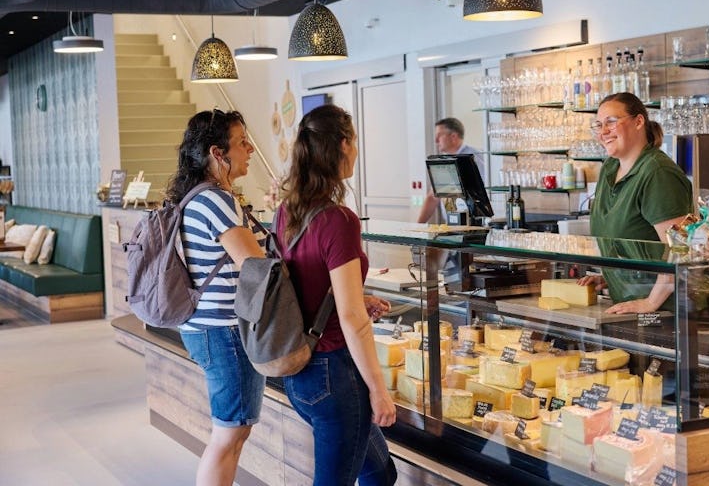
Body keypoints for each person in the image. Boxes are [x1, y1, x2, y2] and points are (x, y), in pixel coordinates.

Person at [273, 104, 397, 486]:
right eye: (355, 142)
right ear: (343, 144)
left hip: (299, 371)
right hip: (335, 373)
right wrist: (379, 389)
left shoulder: (286, 212)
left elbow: (307, 285)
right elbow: (350, 318)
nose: (356, 151)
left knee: (380, 472)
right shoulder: (339, 220)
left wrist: (360, 299)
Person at [166, 109, 266, 486]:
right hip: (224, 332)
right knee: (229, 436)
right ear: (217, 153)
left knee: (231, 433)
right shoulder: (217, 200)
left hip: (205, 328)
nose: (250, 148)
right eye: (242, 142)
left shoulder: (194, 197)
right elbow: (255, 267)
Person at [578, 92, 692, 314]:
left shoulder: (657, 173)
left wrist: (650, 303)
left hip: (666, 312)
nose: (603, 132)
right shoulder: (610, 169)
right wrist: (613, 276)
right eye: (598, 125)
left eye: (611, 122)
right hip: (628, 304)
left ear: (639, 121)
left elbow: (681, 248)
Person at [417, 117, 486, 223]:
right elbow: (433, 197)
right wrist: (417, 226)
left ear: (453, 136)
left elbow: (486, 191)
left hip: (476, 226)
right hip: (451, 225)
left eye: (439, 135)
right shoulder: (443, 162)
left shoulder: (476, 157)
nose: (436, 140)